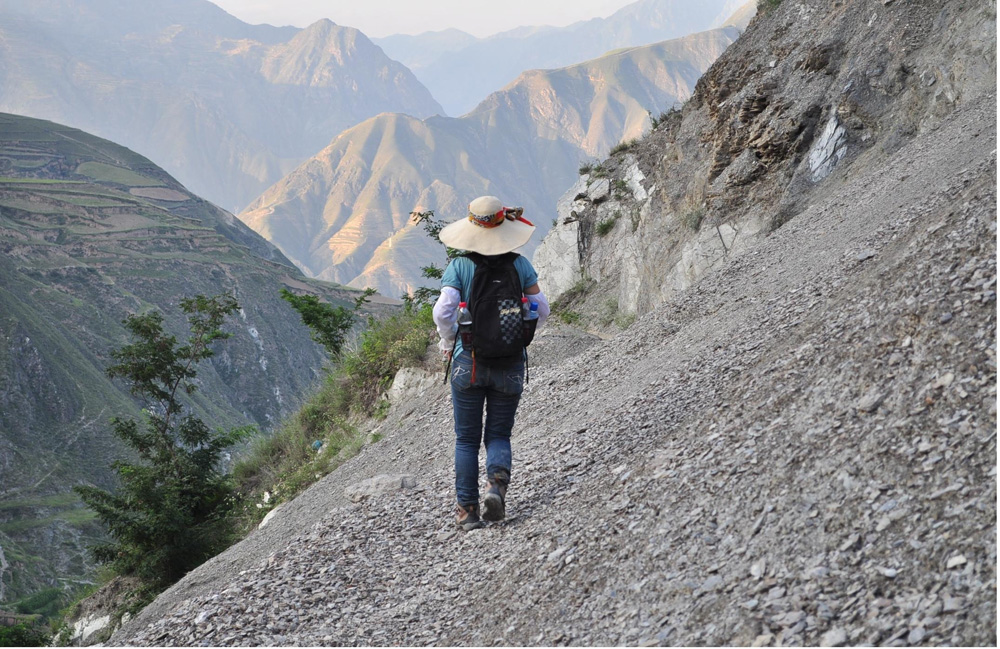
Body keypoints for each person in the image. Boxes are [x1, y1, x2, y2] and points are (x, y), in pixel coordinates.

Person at [432, 195, 550, 531]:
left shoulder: (459, 267)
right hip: (510, 362)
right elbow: (542, 309)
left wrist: (448, 339)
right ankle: (496, 486)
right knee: (498, 433)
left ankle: (467, 511)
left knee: (466, 439)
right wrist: (517, 334)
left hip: (467, 361)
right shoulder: (520, 265)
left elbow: (442, 312)